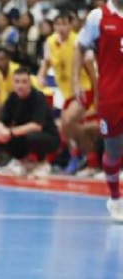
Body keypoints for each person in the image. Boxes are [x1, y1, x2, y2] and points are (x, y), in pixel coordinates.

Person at [73, 0, 123, 222]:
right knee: (114, 150)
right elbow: (80, 48)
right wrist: (76, 81)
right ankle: (115, 199)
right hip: (111, 95)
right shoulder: (98, 17)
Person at [43, 10, 97, 174]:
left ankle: (86, 158)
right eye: (57, 24)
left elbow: (92, 70)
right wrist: (41, 74)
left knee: (68, 120)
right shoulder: (50, 42)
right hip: (67, 92)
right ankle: (81, 156)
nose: (61, 28)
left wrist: (97, 94)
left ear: (71, 25)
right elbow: (47, 61)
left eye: (64, 24)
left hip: (84, 89)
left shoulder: (79, 42)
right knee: (66, 127)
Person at [0, 65, 60, 177]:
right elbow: (2, 120)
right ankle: (22, 162)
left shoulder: (38, 97)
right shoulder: (12, 97)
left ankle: (43, 164)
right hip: (23, 135)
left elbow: (36, 126)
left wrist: (10, 132)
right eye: (17, 82)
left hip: (48, 136)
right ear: (13, 83)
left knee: (32, 137)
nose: (20, 85)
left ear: (30, 83)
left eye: (24, 82)